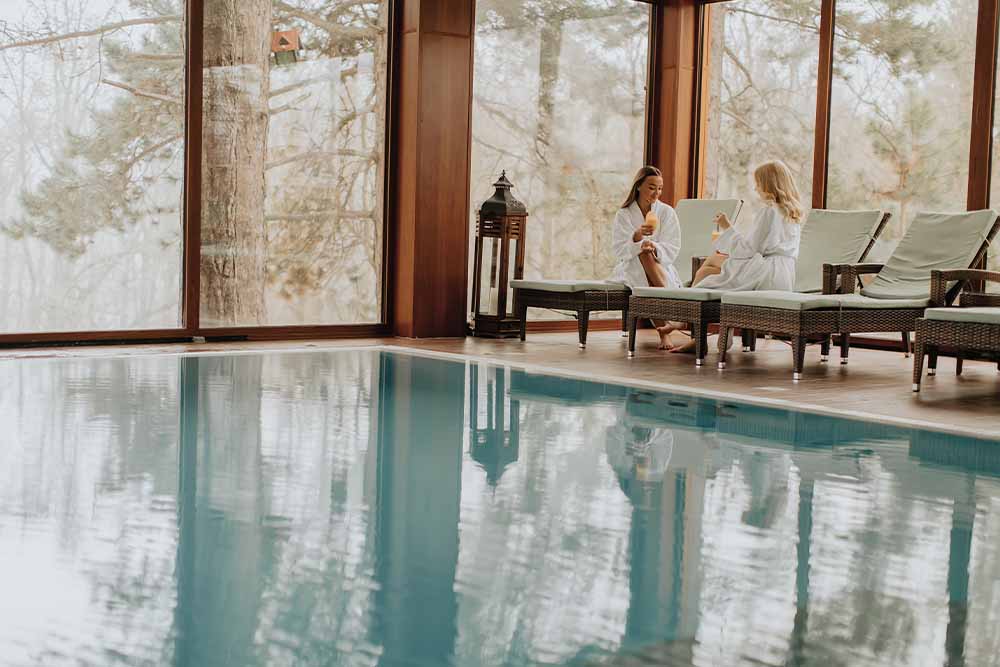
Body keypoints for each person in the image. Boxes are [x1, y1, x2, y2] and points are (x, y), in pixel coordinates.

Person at [670, 160, 803, 354]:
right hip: (784, 274)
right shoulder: (792, 212)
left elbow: (749, 250)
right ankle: (700, 327)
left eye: (758, 182)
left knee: (708, 269)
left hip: (765, 273)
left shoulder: (769, 211)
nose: (755, 188)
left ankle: (691, 327)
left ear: (768, 184)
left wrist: (726, 227)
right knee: (709, 268)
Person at [611, 166, 683, 349]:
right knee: (642, 252)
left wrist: (654, 247)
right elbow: (619, 250)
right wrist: (637, 238)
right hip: (630, 266)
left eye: (660, 188)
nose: (656, 193)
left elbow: (673, 248)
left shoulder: (667, 212)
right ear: (638, 186)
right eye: (651, 187)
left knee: (647, 253)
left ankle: (664, 331)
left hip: (661, 266)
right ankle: (669, 322)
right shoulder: (624, 214)